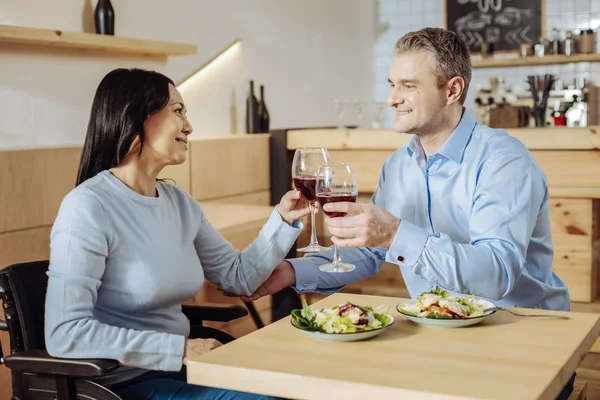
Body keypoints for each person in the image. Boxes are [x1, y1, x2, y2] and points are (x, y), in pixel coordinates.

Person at [235, 28, 574, 399]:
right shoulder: (398, 165)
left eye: (408, 86)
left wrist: (394, 233)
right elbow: (368, 254)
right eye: (392, 84)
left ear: (452, 90)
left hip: (523, 337)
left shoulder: (502, 160)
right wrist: (291, 272)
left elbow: (495, 277)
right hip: (435, 335)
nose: (392, 99)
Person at [44, 68, 309, 400]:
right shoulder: (88, 207)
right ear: (138, 115)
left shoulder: (179, 203)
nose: (189, 126)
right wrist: (179, 348)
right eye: (178, 111)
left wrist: (283, 221)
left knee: (299, 382)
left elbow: (238, 276)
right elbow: (64, 334)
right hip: (120, 383)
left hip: (181, 370)